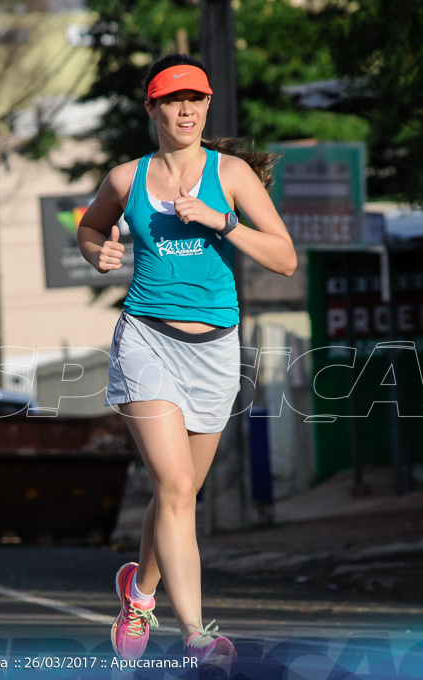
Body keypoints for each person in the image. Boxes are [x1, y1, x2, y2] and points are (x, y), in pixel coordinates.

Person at [76, 54, 297, 668]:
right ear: (152, 108)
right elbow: (90, 229)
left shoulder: (230, 177)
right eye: (174, 100)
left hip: (216, 350)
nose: (187, 110)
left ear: (206, 107)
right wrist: (98, 252)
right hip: (147, 339)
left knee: (180, 494)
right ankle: (197, 633)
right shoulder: (126, 179)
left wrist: (221, 221)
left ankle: (139, 595)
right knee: (174, 487)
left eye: (197, 99)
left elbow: (284, 258)